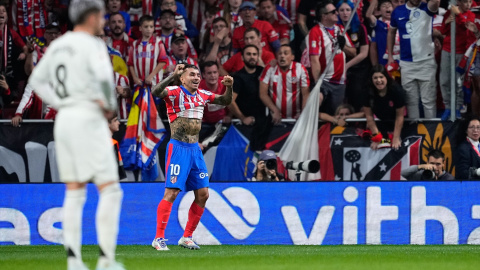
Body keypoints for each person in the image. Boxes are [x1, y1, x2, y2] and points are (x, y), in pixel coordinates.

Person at [27, 1, 124, 270]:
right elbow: (106, 84)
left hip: (65, 120)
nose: (104, 20)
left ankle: (74, 262)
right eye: (102, 15)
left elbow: (36, 80)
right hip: (89, 118)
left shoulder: (58, 45)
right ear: (92, 16)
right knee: (111, 190)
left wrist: (61, 100)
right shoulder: (93, 46)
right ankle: (106, 259)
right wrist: (108, 108)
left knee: (74, 190)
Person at [150, 63, 234, 250]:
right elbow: (156, 91)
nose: (196, 78)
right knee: (171, 193)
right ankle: (159, 238)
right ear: (182, 78)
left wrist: (229, 87)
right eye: (191, 75)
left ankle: (186, 237)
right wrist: (172, 75)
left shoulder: (203, 95)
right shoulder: (173, 91)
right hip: (178, 148)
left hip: (195, 150)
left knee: (203, 194)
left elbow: (225, 101)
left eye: (198, 75)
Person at [387, 0, 440, 119]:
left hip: (426, 61)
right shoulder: (398, 11)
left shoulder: (427, 8)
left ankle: (430, 132)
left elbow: (436, 2)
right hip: (406, 63)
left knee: (428, 101)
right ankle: (414, 133)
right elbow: (391, 32)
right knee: (411, 101)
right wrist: (390, 55)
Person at [308, 0, 356, 115]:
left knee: (336, 115)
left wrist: (343, 45)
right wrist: (317, 82)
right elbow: (314, 60)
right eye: (333, 11)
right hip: (324, 80)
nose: (337, 13)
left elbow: (353, 52)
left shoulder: (340, 29)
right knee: (317, 110)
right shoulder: (316, 32)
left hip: (340, 81)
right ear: (324, 16)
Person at [439, 1, 475, 120]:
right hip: (447, 50)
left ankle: (458, 107)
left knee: (459, 82)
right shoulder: (450, 13)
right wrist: (447, 22)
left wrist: (458, 14)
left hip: (461, 52)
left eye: (470, 1)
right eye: (465, 2)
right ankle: (448, 107)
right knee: (444, 80)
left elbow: (467, 26)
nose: (468, 4)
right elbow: (443, 31)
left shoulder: (471, 14)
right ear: (459, 2)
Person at [259, 44, 310, 124]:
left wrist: (303, 113)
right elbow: (263, 93)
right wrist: (275, 110)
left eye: (285, 53)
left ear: (292, 57)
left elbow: (306, 94)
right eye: (280, 54)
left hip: (296, 119)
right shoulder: (269, 68)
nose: (282, 56)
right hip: (274, 118)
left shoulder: (300, 69)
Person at [337, 0, 370, 113]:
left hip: (358, 68)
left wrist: (346, 66)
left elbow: (364, 53)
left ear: (352, 12)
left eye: (348, 10)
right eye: (341, 10)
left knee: (357, 93)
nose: (345, 13)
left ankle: (358, 123)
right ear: (337, 12)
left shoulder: (361, 28)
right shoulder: (335, 29)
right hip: (339, 67)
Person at [363, 65, 406, 150]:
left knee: (396, 144)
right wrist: (377, 137)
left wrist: (396, 137)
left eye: (381, 77)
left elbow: (399, 116)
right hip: (380, 122)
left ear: (386, 77)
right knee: (376, 143)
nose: (379, 80)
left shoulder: (397, 90)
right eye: (375, 78)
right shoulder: (367, 91)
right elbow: (369, 116)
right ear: (371, 80)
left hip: (397, 123)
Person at [127, 15, 168, 87]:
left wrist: (151, 76)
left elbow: (163, 61)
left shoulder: (158, 43)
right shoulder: (134, 44)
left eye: (151, 27)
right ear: (140, 28)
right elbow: (130, 64)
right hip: (139, 84)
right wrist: (134, 78)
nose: (149, 29)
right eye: (146, 27)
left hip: (155, 83)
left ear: (154, 28)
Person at [198, 61, 231, 144]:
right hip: (204, 125)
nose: (212, 76)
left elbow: (233, 102)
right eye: (209, 73)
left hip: (223, 124)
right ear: (204, 75)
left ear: (218, 73)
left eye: (215, 72)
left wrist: (229, 115)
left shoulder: (226, 84)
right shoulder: (197, 88)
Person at [108, 112, 127, 180]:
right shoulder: (108, 145)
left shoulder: (112, 143)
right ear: (108, 124)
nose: (118, 123)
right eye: (115, 120)